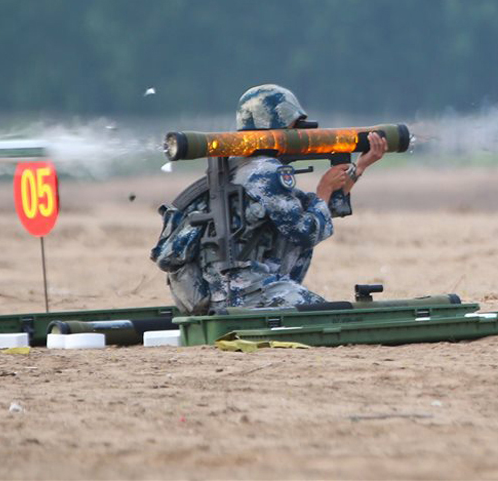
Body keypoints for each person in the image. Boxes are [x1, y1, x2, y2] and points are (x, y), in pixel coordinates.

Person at [151, 84, 386, 313]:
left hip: (217, 293)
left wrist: (359, 167)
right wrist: (324, 189)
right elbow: (305, 232)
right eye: (295, 126)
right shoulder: (265, 171)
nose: (300, 134)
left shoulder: (241, 165)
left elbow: (306, 211)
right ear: (278, 123)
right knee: (332, 315)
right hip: (244, 294)